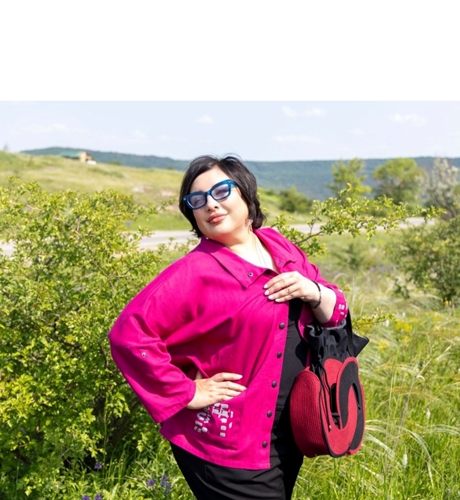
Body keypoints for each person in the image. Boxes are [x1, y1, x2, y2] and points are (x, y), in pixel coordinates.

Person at [108, 155, 348, 500]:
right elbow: (128, 336)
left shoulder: (280, 247)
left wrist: (315, 292)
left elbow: (336, 314)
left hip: (288, 433)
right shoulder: (194, 272)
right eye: (197, 200)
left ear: (246, 194)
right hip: (227, 442)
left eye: (221, 191)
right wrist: (187, 392)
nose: (210, 204)